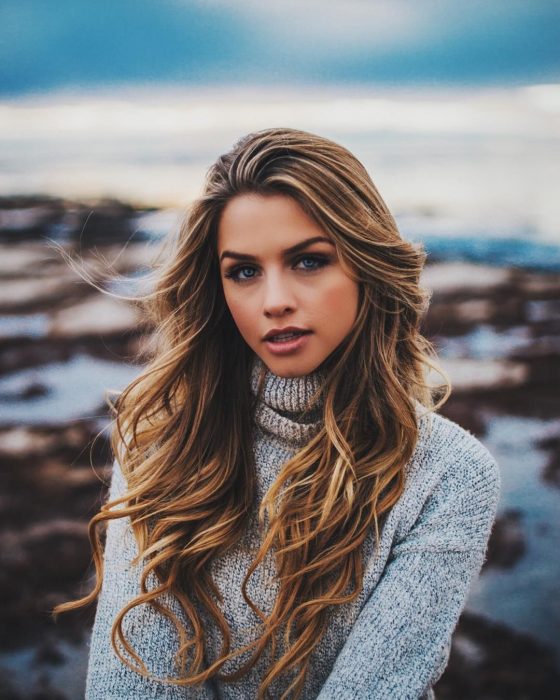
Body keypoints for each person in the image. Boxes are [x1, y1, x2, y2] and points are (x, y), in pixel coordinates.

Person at [54, 127, 501, 699]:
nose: (274, 300)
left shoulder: (449, 475)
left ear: (367, 265)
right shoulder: (161, 444)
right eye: (244, 271)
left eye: (309, 261)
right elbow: (133, 685)